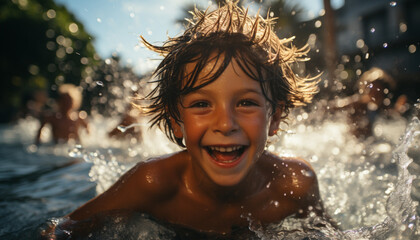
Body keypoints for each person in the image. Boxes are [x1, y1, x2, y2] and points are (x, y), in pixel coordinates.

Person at [51, 2, 332, 238]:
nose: (225, 124)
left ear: (275, 118)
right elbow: (61, 232)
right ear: (176, 120)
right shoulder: (153, 183)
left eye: (246, 103)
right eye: (201, 104)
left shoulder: (294, 184)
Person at [329, 67, 406, 138]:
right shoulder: (358, 103)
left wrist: (398, 110)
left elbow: (393, 119)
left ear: (384, 91)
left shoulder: (384, 106)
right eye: (372, 91)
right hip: (356, 141)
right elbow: (332, 107)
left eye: (379, 92)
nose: (375, 95)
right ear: (366, 90)